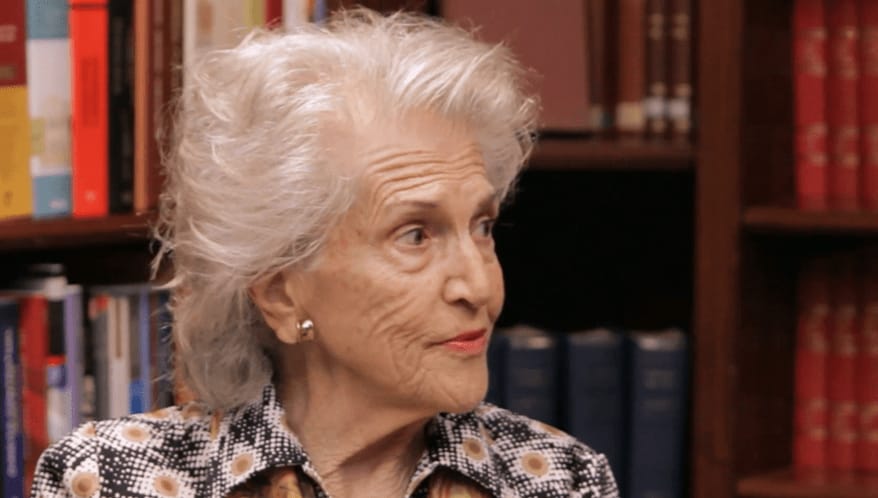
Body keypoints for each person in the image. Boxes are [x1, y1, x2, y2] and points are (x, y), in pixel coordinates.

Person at [31, 7, 619, 498]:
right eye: (415, 235)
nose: (480, 287)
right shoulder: (108, 480)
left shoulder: (560, 481)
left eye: (482, 227)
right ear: (281, 294)